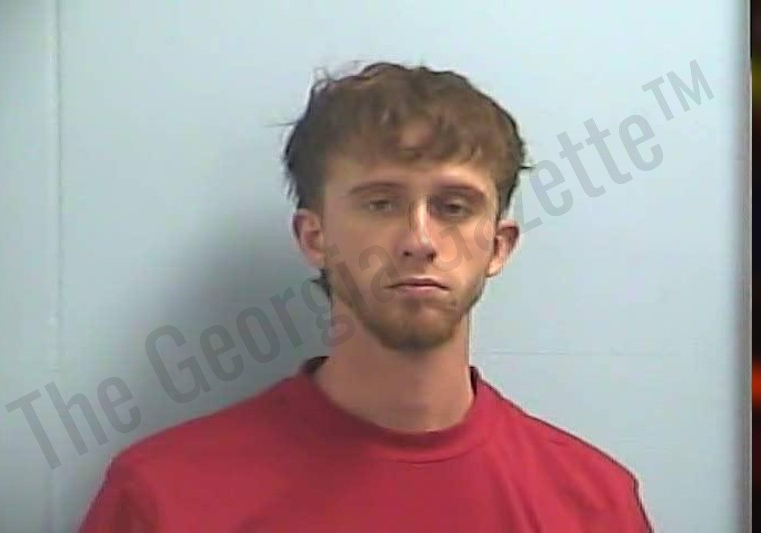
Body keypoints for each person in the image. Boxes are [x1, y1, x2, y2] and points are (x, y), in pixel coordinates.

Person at [80, 62, 653, 532]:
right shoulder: (165, 498)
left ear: (498, 246)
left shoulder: (592, 505)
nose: (419, 240)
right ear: (315, 237)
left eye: (454, 207)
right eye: (381, 203)